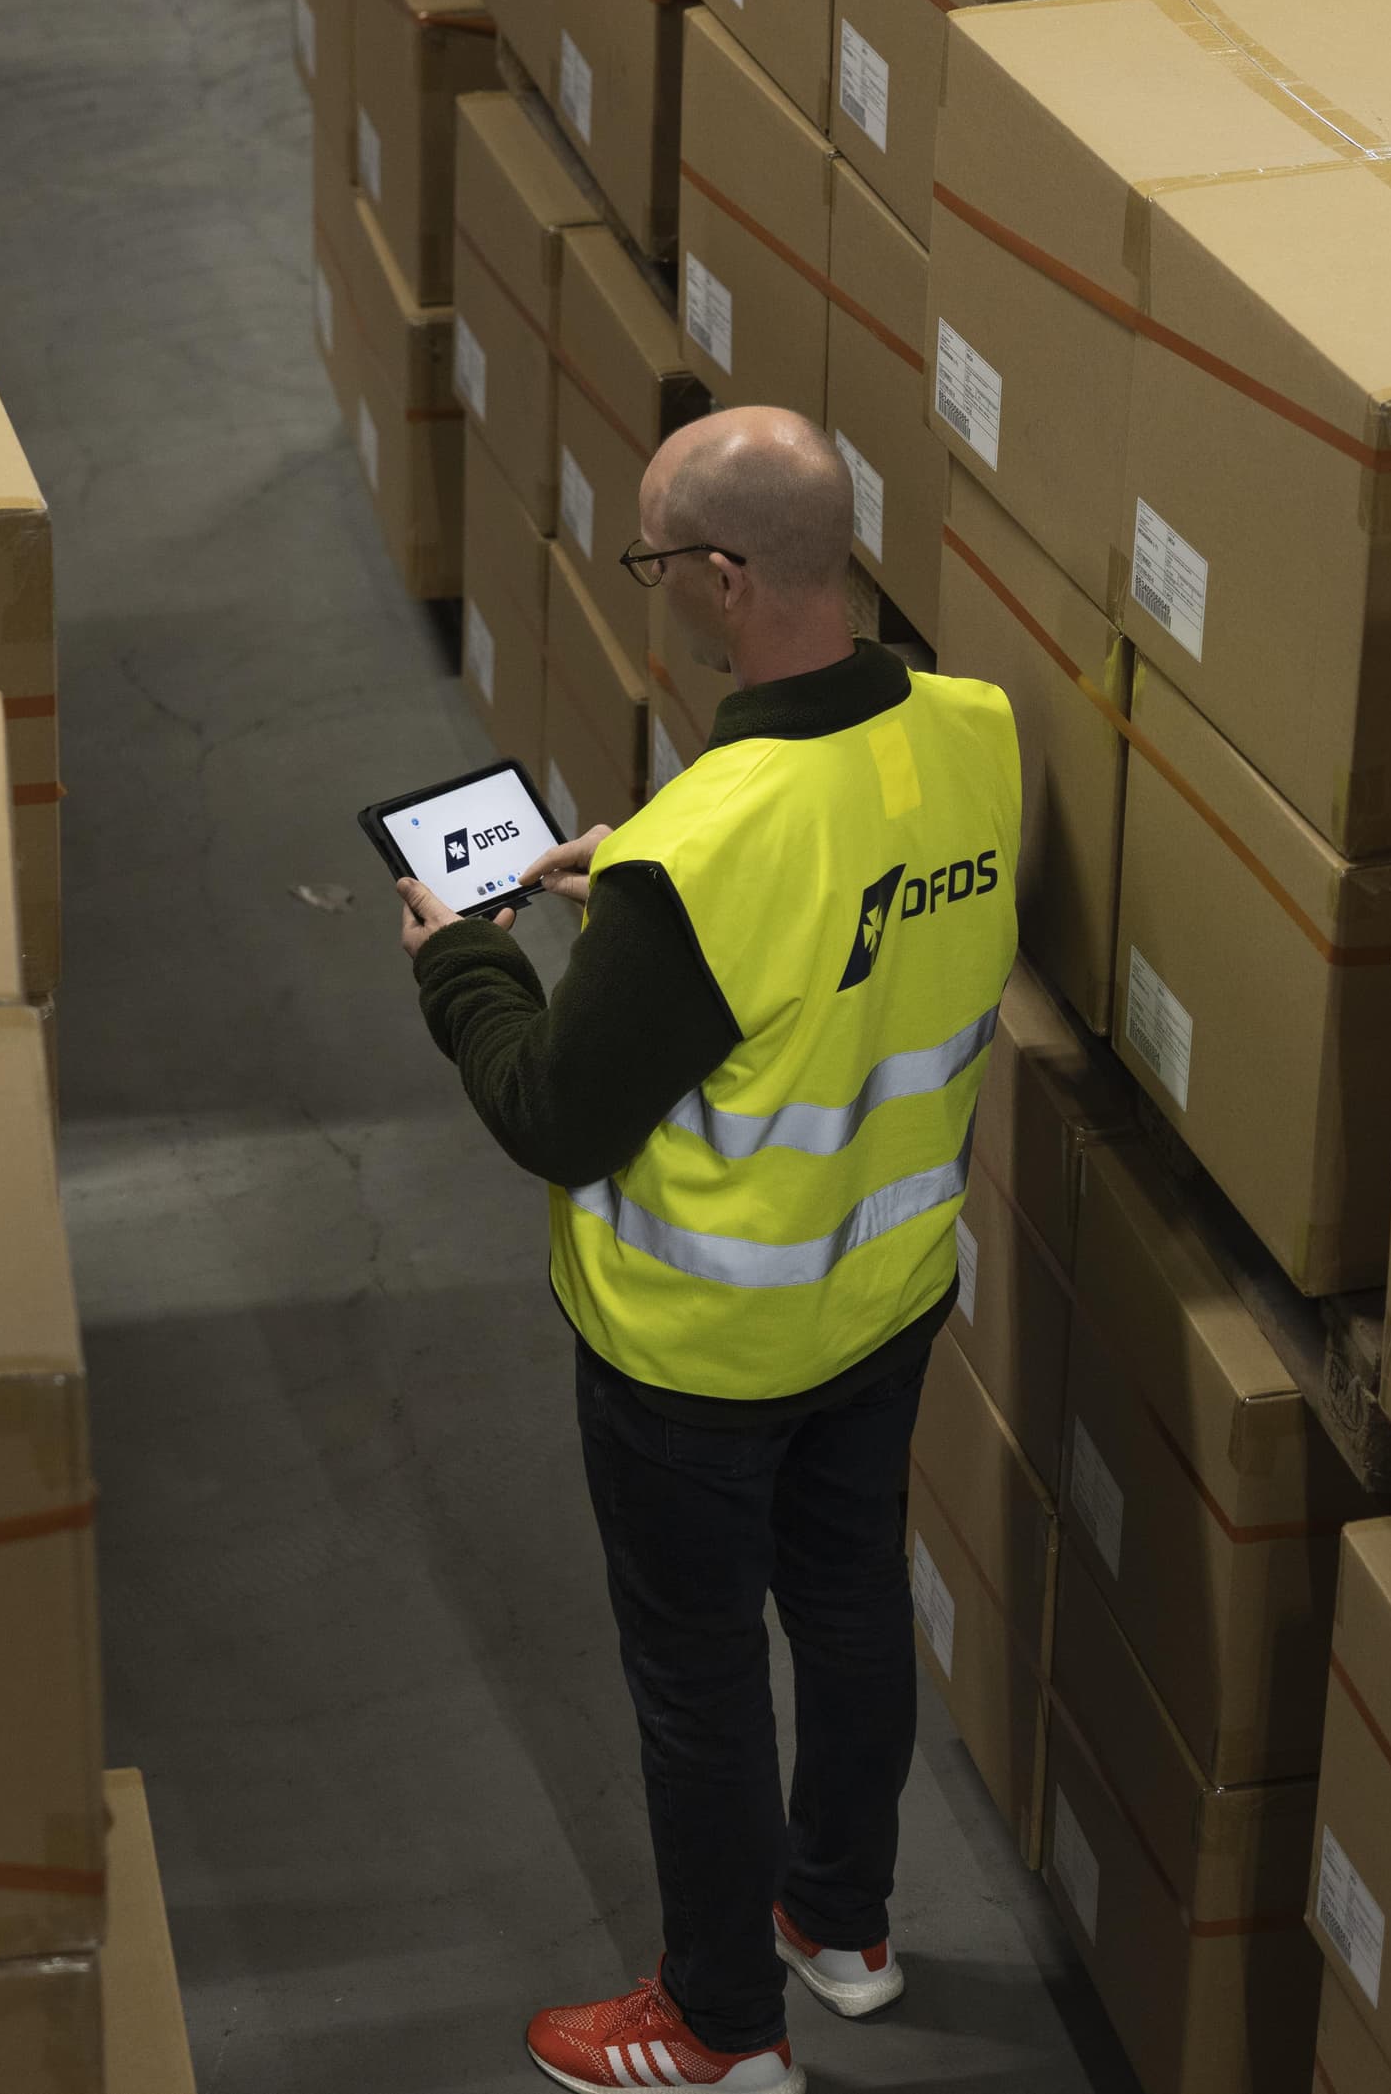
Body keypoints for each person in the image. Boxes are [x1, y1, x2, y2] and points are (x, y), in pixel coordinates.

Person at [398, 405, 1021, 2094]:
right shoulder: (973, 731)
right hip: (886, 1298)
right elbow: (845, 914)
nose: (654, 582)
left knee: (698, 1679)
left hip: (700, 1356)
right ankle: (842, 1925)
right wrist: (645, 889)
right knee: (850, 1603)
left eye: (657, 559)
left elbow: (551, 1110)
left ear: (728, 576)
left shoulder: (706, 847)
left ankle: (722, 2027)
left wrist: (461, 964)